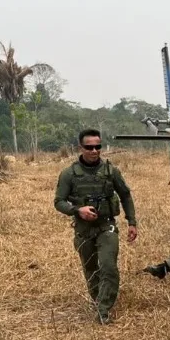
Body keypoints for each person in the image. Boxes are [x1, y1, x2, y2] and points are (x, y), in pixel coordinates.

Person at [54, 129, 138, 324]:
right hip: (83, 230)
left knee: (108, 266)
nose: (94, 151)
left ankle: (104, 309)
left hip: (106, 226)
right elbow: (59, 201)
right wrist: (77, 210)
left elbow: (125, 195)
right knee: (90, 268)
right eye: (89, 147)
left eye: (98, 147)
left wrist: (132, 222)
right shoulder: (69, 174)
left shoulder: (110, 171)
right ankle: (98, 298)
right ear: (80, 148)